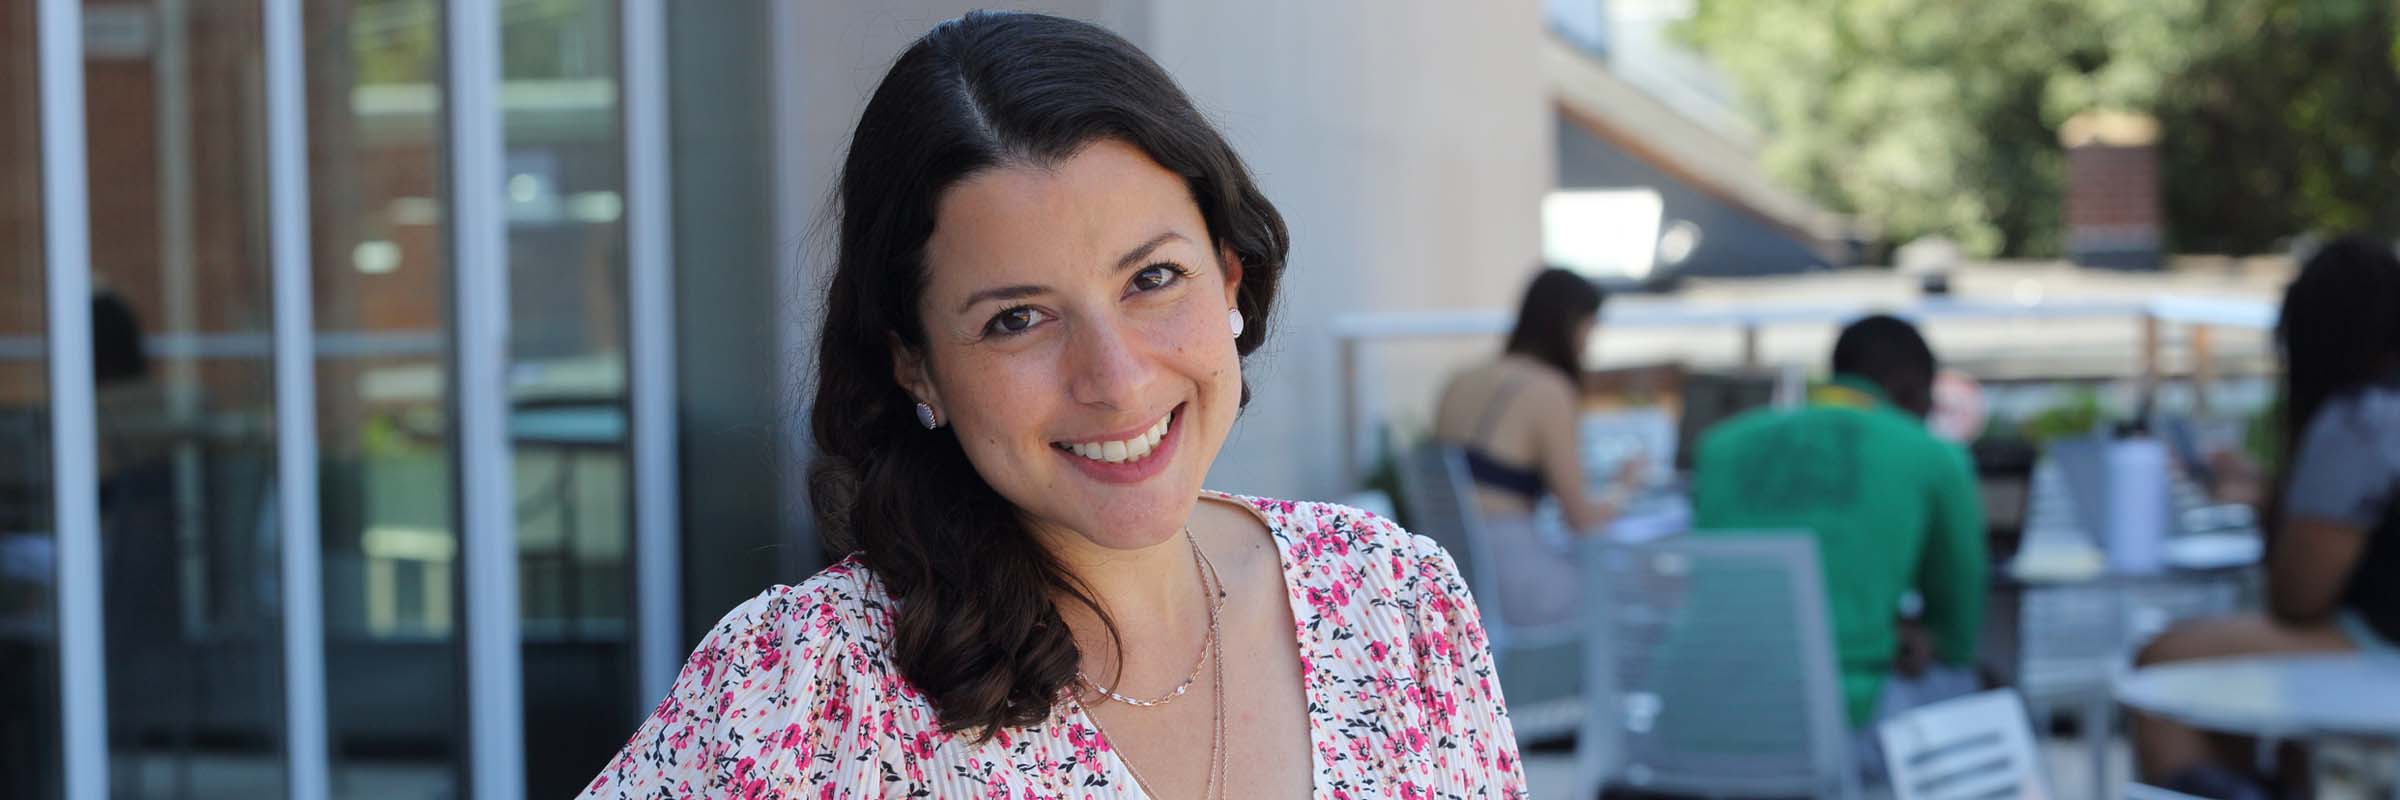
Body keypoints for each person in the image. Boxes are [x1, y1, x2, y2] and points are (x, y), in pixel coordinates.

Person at [578, 12, 1524, 798]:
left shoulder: (1397, 604)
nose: (1113, 377)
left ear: (1230, 279)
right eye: (1017, 319)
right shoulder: (803, 688)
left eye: (1154, 277)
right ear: (915, 367)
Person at [2133, 236, 2400, 800]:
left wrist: (2266, 506)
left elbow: (2298, 599)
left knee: (2162, 667)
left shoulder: (2361, 419)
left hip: (2384, 650)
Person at [1688, 315, 1988, 734]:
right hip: (1838, 722)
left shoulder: (1720, 446)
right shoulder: (1931, 455)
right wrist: (1917, 638)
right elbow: (1958, 622)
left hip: (1700, 713)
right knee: (1977, 691)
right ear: (1910, 389)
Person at [1431, 267, 1641, 626]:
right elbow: (1582, 520)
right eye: (1590, 327)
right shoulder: (1549, 389)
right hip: (1513, 578)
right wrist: (1626, 486)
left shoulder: (1460, 380)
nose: (1590, 342)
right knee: (1635, 594)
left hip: (1447, 576)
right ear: (1571, 323)